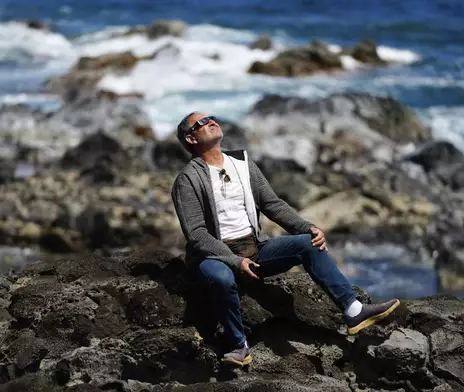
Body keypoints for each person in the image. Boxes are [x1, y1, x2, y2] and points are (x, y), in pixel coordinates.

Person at [170, 112, 400, 366]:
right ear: (191, 139)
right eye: (202, 123)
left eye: (212, 118)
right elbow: (197, 234)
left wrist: (307, 227)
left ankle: (353, 310)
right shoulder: (187, 179)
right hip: (215, 256)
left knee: (307, 244)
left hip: (254, 248)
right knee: (221, 278)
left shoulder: (242, 163)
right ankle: (238, 344)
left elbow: (273, 205)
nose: (212, 122)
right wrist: (235, 261)